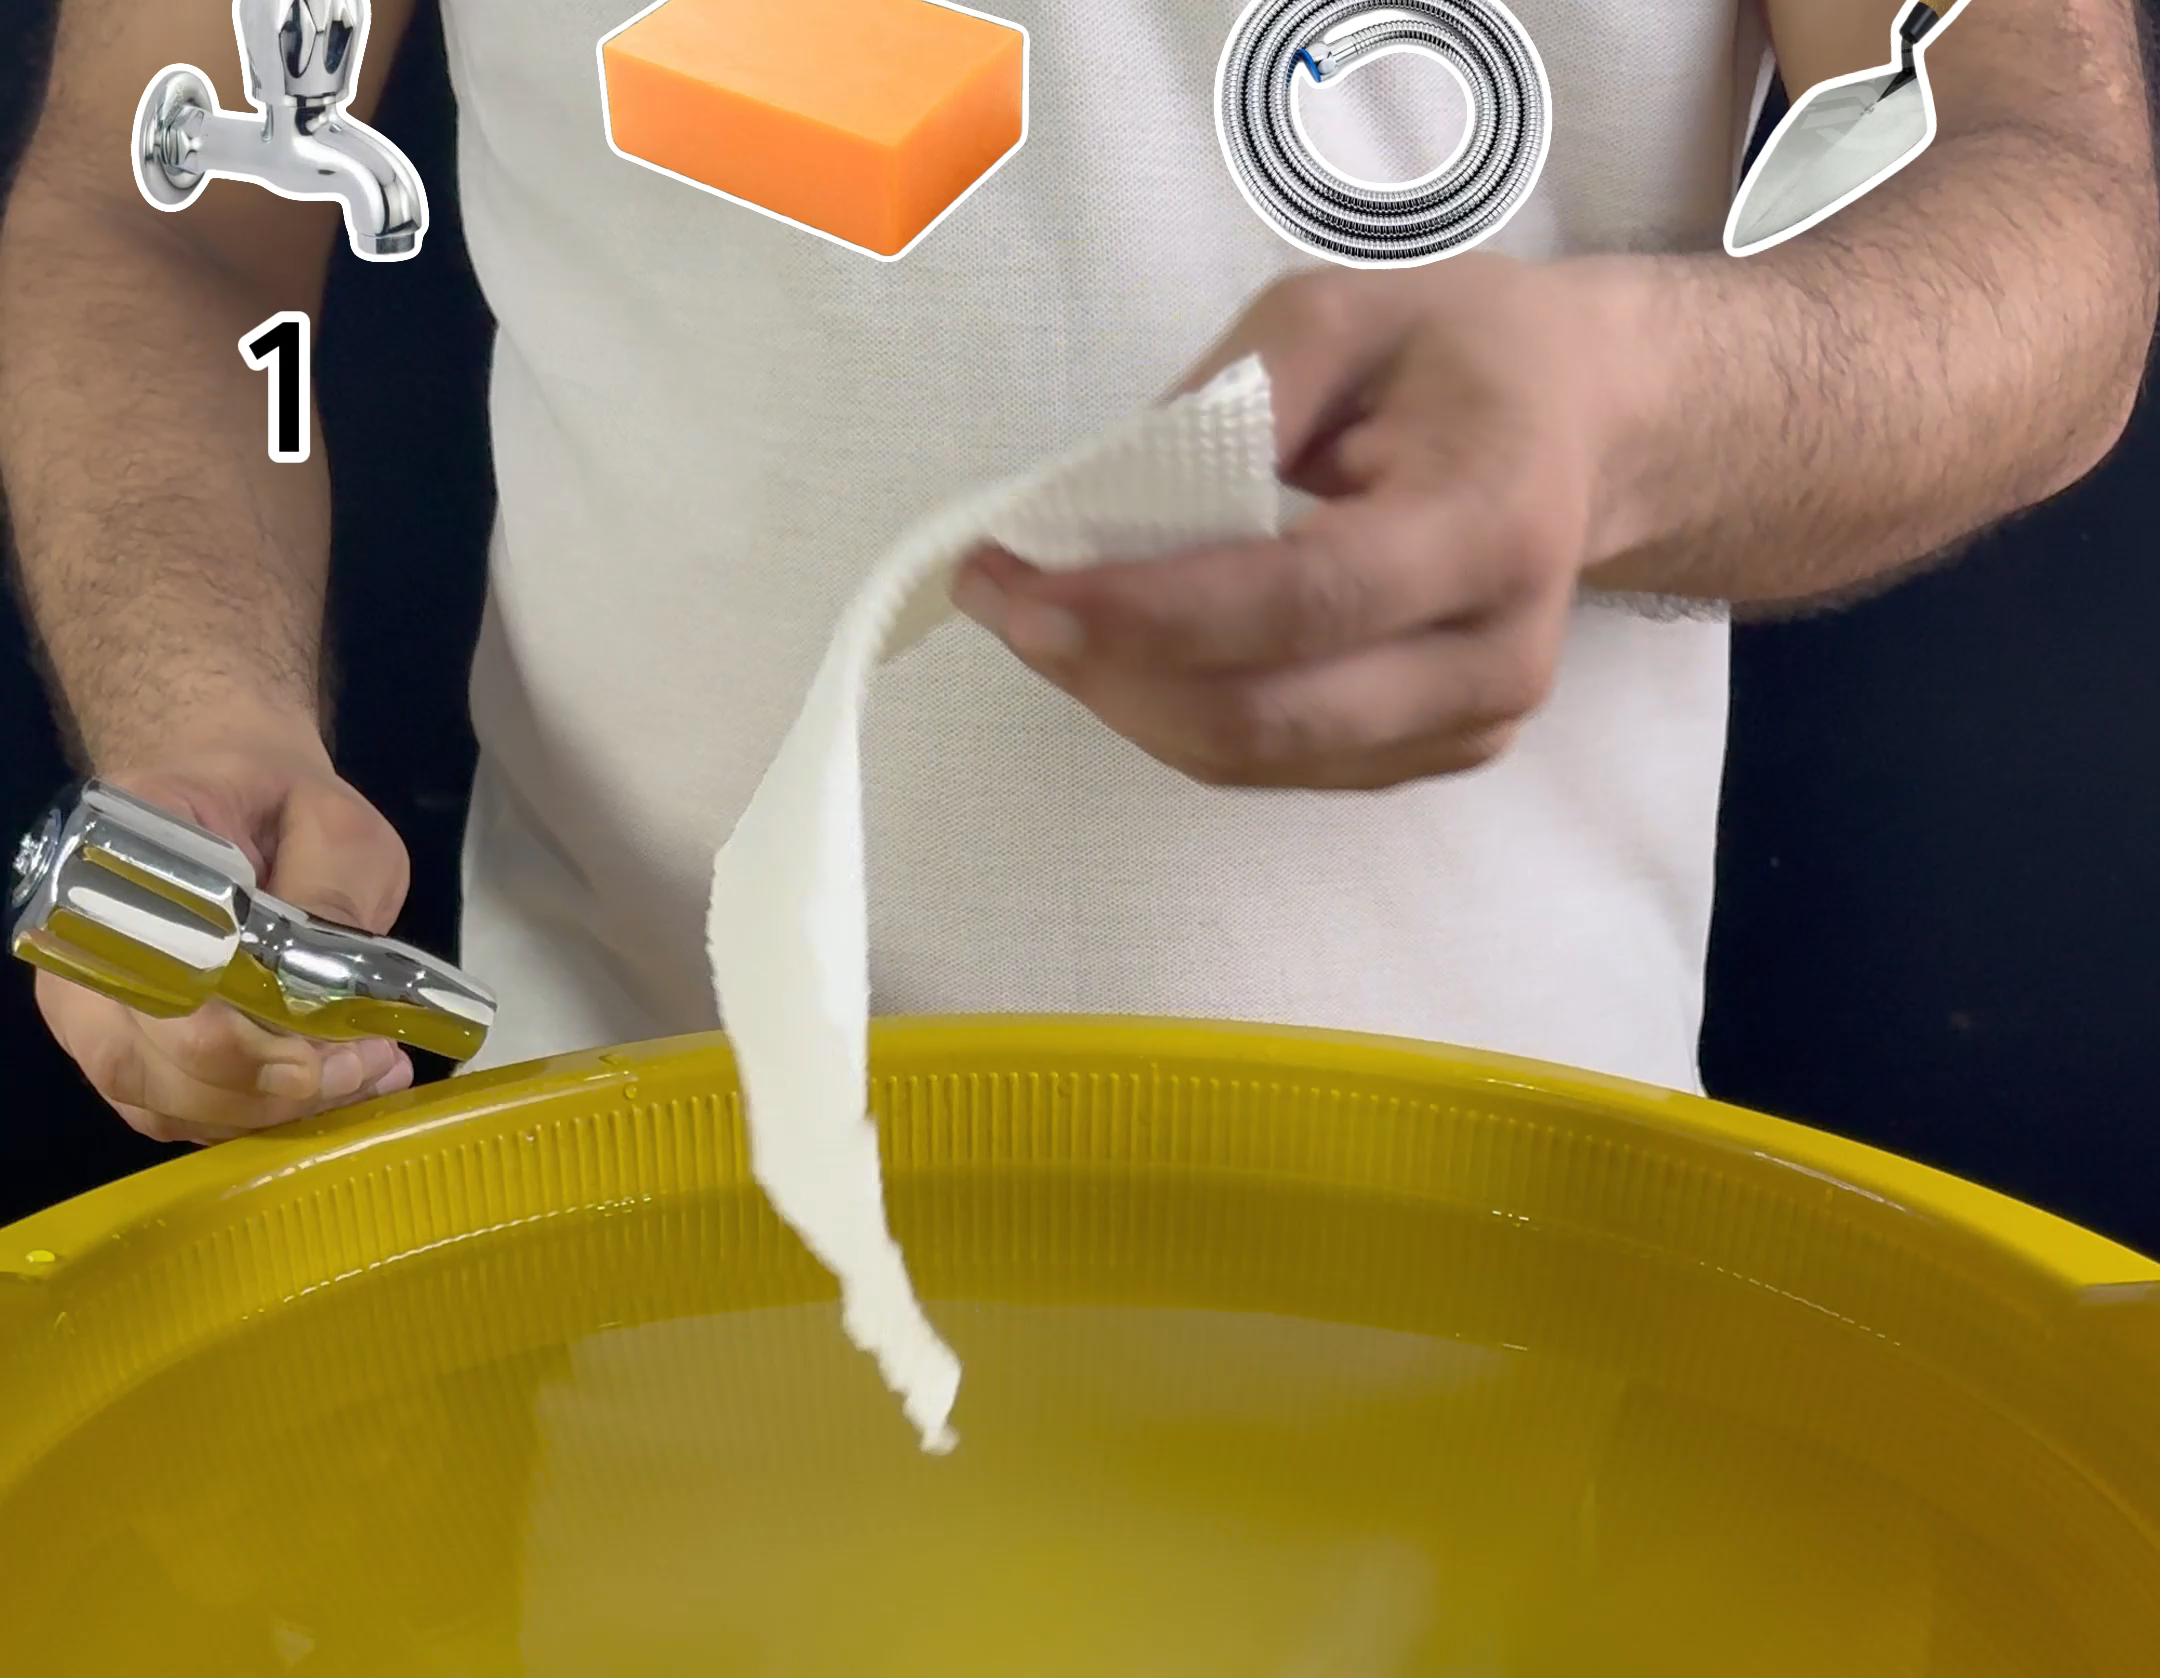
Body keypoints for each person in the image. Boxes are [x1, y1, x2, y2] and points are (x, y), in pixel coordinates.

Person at [0, 0, 2151, 1149]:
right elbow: (180, 222)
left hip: (1499, 1288)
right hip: (643, 1286)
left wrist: (1649, 416)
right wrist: (207, 720)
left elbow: (2043, 196)